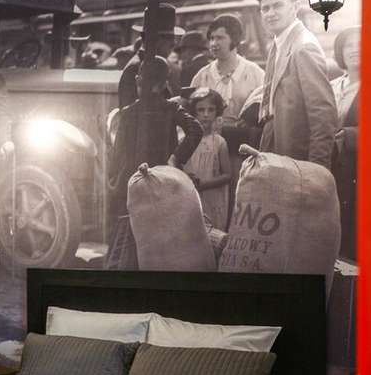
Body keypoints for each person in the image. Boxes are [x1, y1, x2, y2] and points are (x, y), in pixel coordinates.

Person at [256, 0, 338, 169]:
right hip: (278, 152)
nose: (270, 13)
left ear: (295, 7)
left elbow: (323, 115)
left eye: (278, 6)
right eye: (265, 8)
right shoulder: (278, 43)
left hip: (299, 162)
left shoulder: (303, 47)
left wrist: (317, 171)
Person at [108, 56, 202, 215]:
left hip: (135, 181)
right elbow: (196, 129)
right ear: (164, 85)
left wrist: (115, 182)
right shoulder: (171, 108)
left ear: (137, 80)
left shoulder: (128, 113)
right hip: (164, 178)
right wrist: (176, 158)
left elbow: (118, 155)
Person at [190, 14, 264, 120]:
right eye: (212, 38)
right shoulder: (202, 76)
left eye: (219, 38)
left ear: (234, 39)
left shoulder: (255, 74)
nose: (213, 43)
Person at [117, 4, 184, 108]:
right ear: (155, 40)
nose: (174, 43)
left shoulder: (160, 64)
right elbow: (129, 111)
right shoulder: (135, 68)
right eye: (169, 38)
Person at [331, 26, 361, 259]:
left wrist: (349, 135)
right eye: (349, 45)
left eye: (361, 44)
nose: (355, 49)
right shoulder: (332, 86)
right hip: (331, 167)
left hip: (359, 170)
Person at [183, 88, 231, 230]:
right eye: (201, 110)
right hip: (190, 195)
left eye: (211, 110)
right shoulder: (185, 141)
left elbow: (227, 175)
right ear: (193, 112)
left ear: (217, 112)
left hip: (213, 197)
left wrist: (204, 184)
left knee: (212, 232)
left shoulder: (219, 142)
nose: (206, 114)